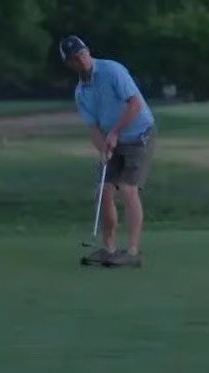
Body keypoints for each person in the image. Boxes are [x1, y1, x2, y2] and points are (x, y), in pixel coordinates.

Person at [59, 35, 156, 268]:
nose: (82, 60)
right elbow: (93, 128)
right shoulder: (81, 92)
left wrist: (114, 132)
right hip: (114, 140)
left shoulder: (112, 70)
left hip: (139, 135)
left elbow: (135, 104)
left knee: (129, 190)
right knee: (104, 191)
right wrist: (102, 148)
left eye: (82, 53)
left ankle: (132, 252)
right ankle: (109, 249)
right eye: (75, 58)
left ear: (87, 51)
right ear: (69, 64)